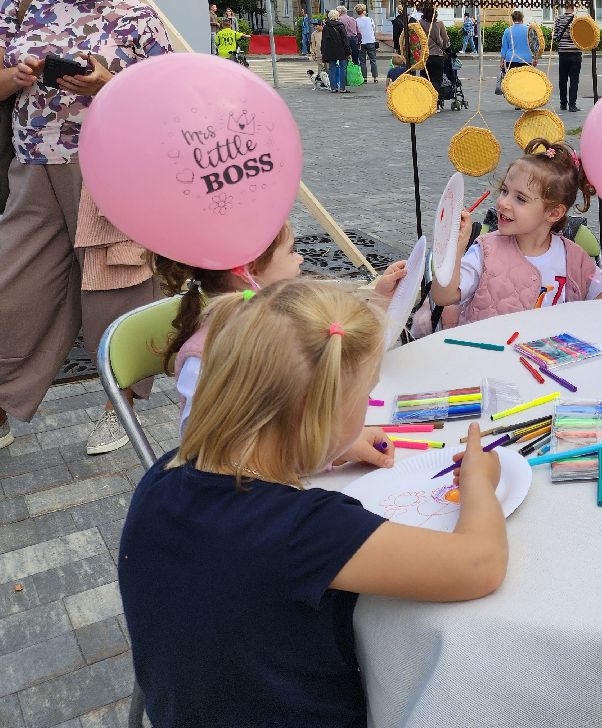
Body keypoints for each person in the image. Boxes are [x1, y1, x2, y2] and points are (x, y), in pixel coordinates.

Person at [117, 278, 509, 727]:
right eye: (365, 397)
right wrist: (479, 483)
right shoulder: (306, 531)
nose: (368, 406)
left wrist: (332, 447)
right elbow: (479, 565)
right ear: (315, 415)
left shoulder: (163, 474)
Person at [0, 0, 174, 455]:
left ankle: (118, 404)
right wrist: (18, 74)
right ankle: (4, 402)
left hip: (108, 167)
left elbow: (164, 99)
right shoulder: (22, 2)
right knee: (14, 287)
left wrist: (105, 85)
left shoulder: (136, 15)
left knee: (115, 287)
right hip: (31, 164)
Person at [151, 221, 408, 435]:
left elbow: (343, 352)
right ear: (249, 270)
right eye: (291, 251)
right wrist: (324, 450)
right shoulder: (207, 358)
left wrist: (380, 299)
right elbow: (206, 448)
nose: (301, 258)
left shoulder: (283, 313)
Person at [418, 140, 602, 332]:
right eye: (504, 191)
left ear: (553, 212)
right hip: (490, 361)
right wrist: (453, 247)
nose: (503, 203)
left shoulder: (574, 257)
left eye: (520, 198)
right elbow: (443, 296)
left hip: (550, 366)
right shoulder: (485, 249)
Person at [551, 2, 583, 112]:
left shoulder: (559, 19)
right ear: (573, 8)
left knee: (563, 79)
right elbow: (582, 37)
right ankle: (572, 105)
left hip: (563, 53)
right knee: (574, 80)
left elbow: (555, 37)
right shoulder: (578, 20)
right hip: (575, 53)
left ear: (565, 7)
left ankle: (563, 104)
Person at [418, 5, 451, 107]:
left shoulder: (419, 23)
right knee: (436, 80)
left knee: (425, 79)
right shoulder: (439, 24)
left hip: (424, 57)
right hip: (437, 56)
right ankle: (435, 102)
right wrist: (446, 48)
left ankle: (426, 101)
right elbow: (445, 41)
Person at [495, 9, 532, 95]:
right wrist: (536, 58)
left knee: (513, 80)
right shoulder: (528, 29)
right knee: (524, 80)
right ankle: (523, 98)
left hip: (511, 59)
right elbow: (533, 45)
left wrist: (501, 61)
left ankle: (516, 99)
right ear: (522, 18)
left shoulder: (508, 31)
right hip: (526, 59)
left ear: (513, 19)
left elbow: (504, 48)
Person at [320, 10, 350, 93]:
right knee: (343, 68)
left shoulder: (326, 27)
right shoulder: (340, 26)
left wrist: (323, 52)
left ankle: (333, 88)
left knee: (331, 69)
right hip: (341, 50)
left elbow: (324, 41)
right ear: (337, 16)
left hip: (330, 51)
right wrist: (348, 51)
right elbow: (345, 39)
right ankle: (342, 88)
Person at [355, 4, 378, 83]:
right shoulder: (370, 19)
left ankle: (364, 78)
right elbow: (373, 29)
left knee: (362, 61)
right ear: (364, 11)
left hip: (361, 42)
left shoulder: (356, 21)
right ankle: (375, 77)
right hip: (370, 41)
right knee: (373, 60)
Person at [338, 5, 362, 81]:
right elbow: (358, 32)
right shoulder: (353, 19)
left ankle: (346, 78)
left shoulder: (339, 20)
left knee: (345, 59)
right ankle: (356, 77)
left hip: (344, 40)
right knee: (355, 59)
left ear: (339, 12)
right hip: (354, 40)